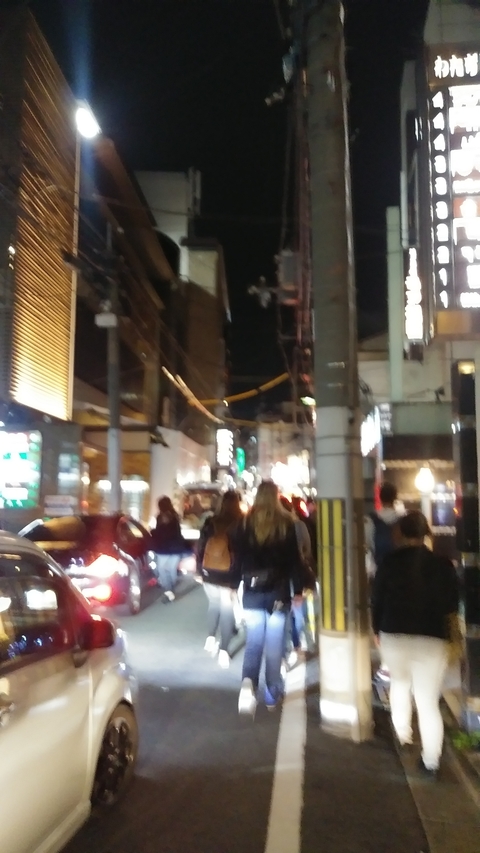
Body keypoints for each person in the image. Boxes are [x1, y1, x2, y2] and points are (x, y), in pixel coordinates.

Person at [372, 510, 460, 779]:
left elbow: (377, 600)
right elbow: (452, 607)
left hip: (393, 634)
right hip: (432, 638)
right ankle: (431, 761)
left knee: (399, 683)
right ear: (426, 534)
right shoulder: (443, 566)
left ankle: (403, 735)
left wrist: (377, 630)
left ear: (400, 533)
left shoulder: (388, 562)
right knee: (427, 700)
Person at [232, 481, 307, 715]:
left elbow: (238, 559)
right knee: (274, 647)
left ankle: (248, 684)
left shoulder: (244, 523)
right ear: (276, 497)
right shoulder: (286, 523)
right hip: (278, 594)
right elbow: (295, 560)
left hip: (253, 593)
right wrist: (298, 591)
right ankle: (272, 693)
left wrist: (234, 586)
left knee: (254, 642)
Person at [197, 490, 243, 669]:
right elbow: (242, 552)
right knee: (227, 609)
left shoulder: (210, 522)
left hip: (209, 571)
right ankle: (224, 650)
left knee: (213, 604)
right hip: (228, 574)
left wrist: (199, 570)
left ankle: (210, 639)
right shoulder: (240, 523)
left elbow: (200, 546)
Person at [364, 482, 402, 579]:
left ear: (380, 498)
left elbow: (367, 545)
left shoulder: (370, 520)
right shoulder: (403, 520)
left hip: (378, 571)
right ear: (395, 498)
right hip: (399, 571)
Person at [151, 496, 184, 602]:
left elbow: (161, 533)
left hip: (164, 548)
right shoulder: (175, 516)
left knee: (162, 569)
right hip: (176, 548)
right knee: (171, 569)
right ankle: (171, 590)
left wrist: (153, 532)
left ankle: (169, 590)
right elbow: (177, 533)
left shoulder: (160, 517)